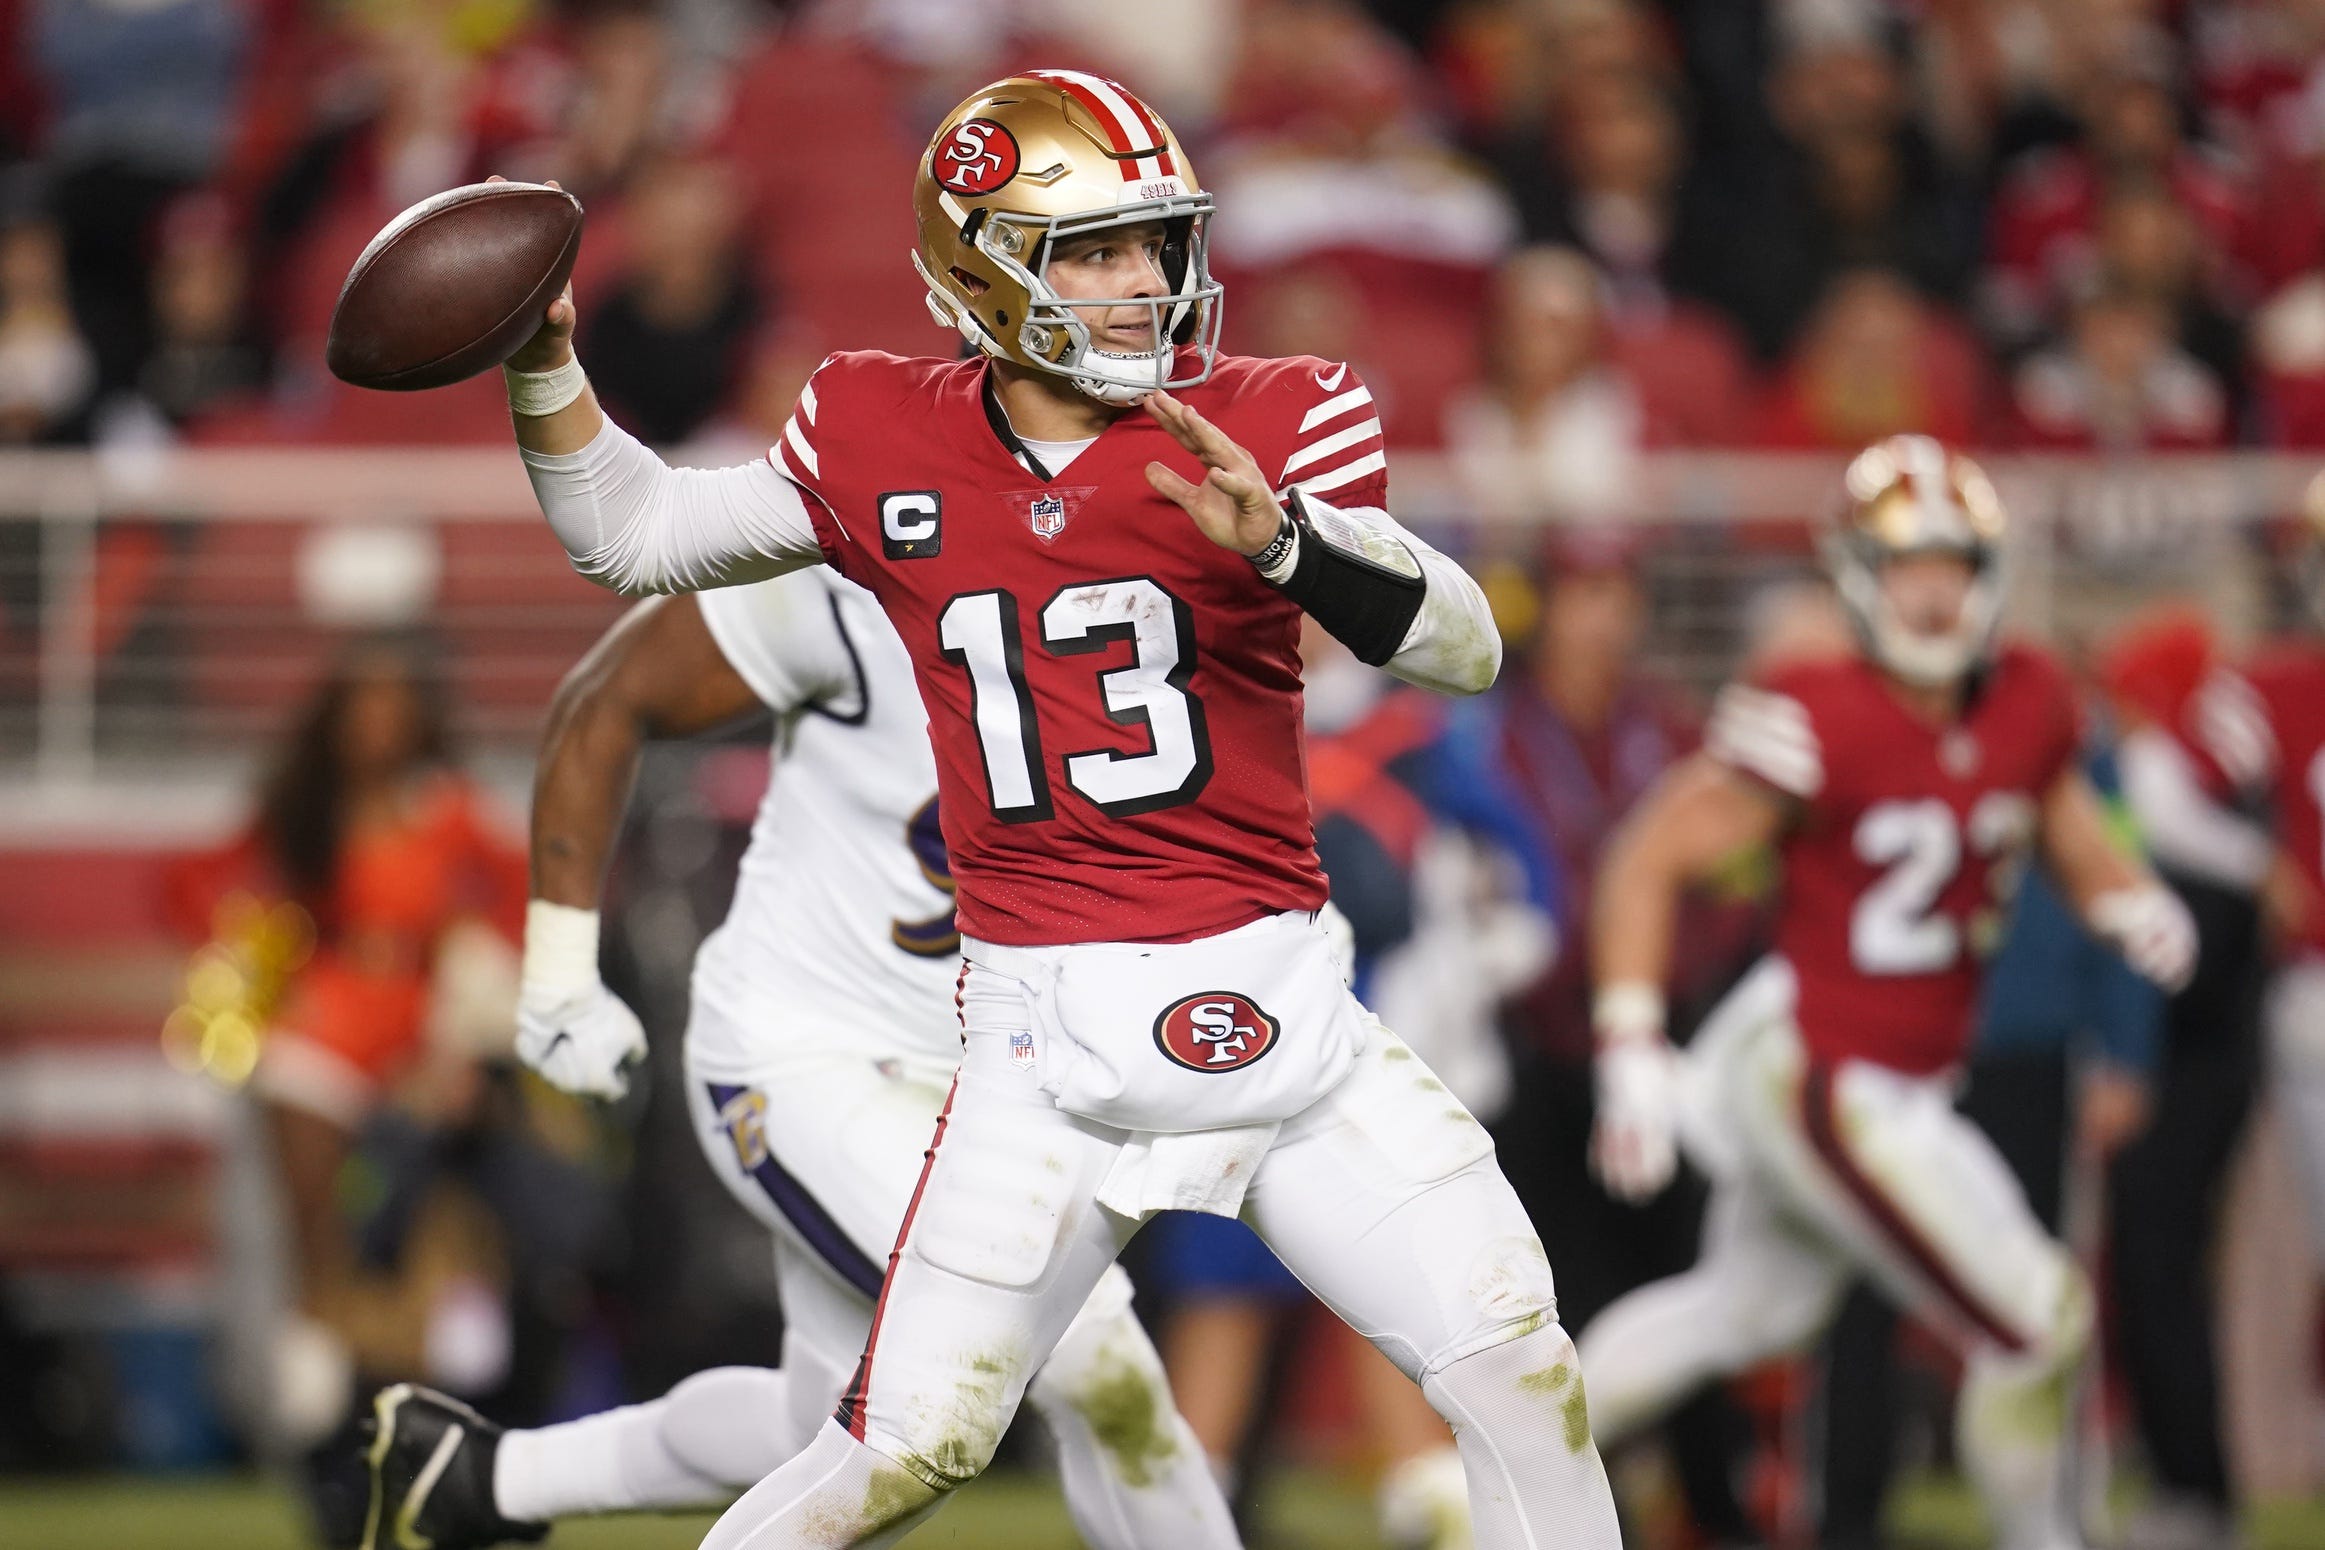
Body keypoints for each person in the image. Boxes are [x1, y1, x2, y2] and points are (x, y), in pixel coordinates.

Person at [490, 68, 1620, 1550]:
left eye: (1154, 240)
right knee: (895, 1453)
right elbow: (633, 536)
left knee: (1524, 1377)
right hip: (1043, 1052)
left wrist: (1292, 547)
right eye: (1092, 248)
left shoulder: (1274, 413)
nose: (1142, 278)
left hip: (1286, 1020)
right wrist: (543, 366)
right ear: (984, 264)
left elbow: (1462, 646)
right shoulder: (878, 430)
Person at [356, 573, 1237, 1550]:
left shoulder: (1147, 565)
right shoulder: (866, 548)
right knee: (1091, 1354)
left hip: (978, 1081)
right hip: (807, 1052)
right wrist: (562, 971)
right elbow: (616, 690)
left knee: (819, 1423)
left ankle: (486, 1475)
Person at [1576, 435, 2198, 1550]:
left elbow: (2061, 826)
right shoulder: (1816, 705)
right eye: (1908, 563)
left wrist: (2127, 900)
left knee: (1747, 1309)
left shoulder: (2032, 698)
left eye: (1954, 563)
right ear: (1859, 573)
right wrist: (1629, 1044)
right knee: (2038, 1317)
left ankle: (1474, 1477)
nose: (1932, 589)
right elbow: (1649, 856)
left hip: (1895, 1071)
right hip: (1825, 1064)